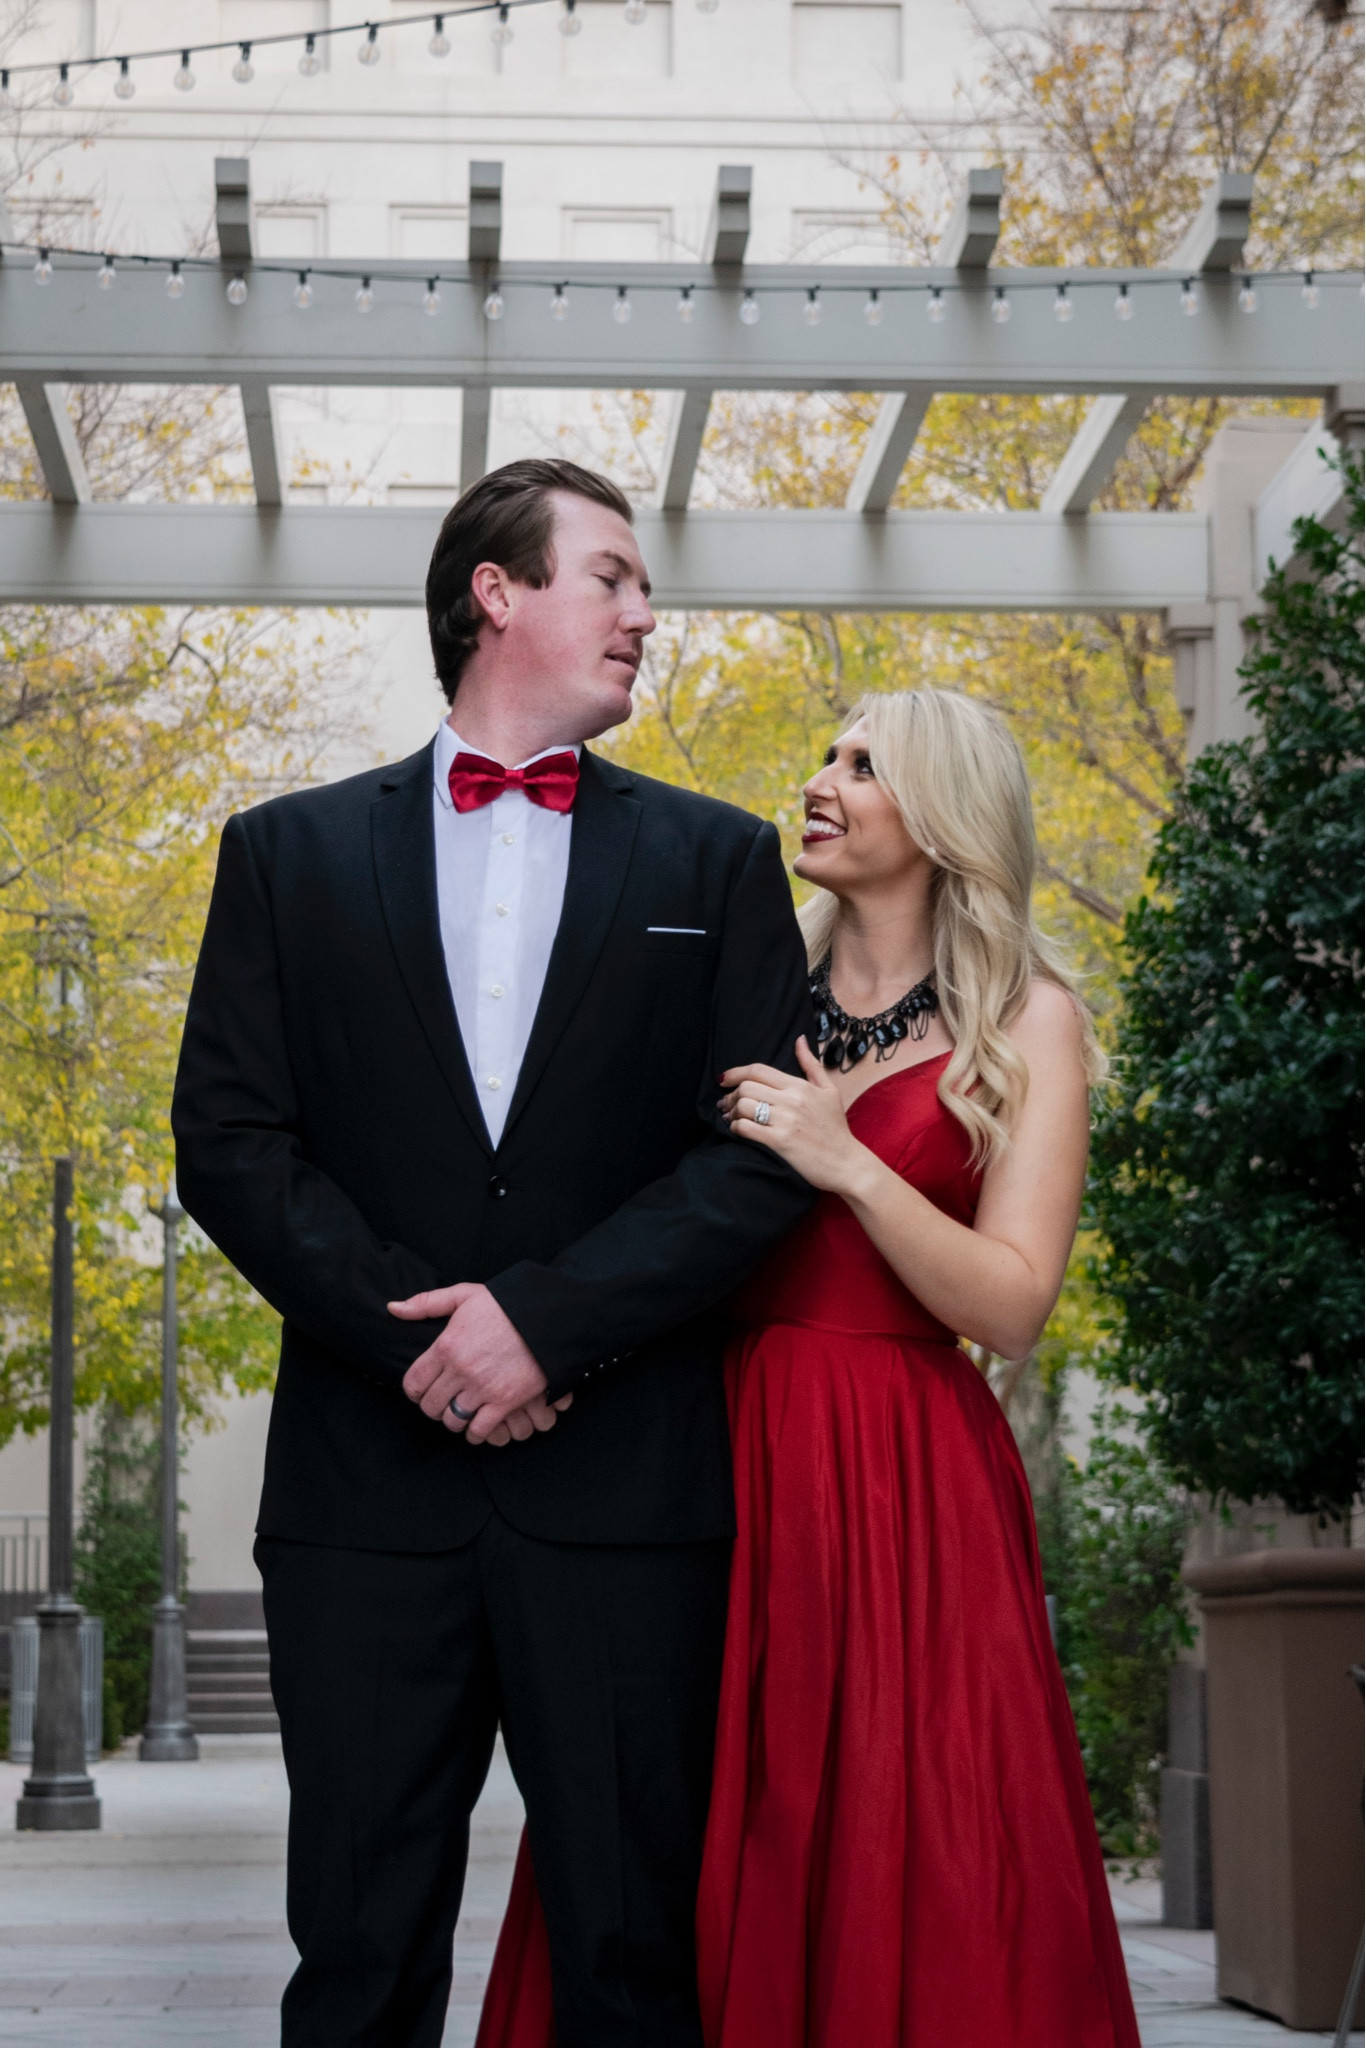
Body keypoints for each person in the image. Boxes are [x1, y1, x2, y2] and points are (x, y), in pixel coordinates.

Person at [171, 457, 816, 2048]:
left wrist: (540, 1329)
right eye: (611, 577)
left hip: (624, 1504)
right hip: (363, 1509)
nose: (644, 615)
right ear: (495, 592)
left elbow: (760, 1161)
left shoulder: (719, 863)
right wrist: (426, 1349)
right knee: (357, 1961)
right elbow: (232, 1150)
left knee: (626, 1964)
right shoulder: (284, 854)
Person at [477, 687, 1142, 2048]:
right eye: (824, 755)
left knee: (913, 1820)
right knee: (665, 1813)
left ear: (944, 817)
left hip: (901, 1478)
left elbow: (1012, 1306)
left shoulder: (1030, 1021)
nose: (820, 780)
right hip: (700, 1448)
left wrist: (845, 1164)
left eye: (862, 765)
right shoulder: (740, 984)